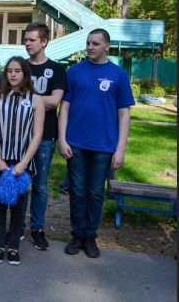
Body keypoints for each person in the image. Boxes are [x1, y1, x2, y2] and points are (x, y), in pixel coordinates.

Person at [58, 28, 134, 259]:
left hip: (104, 145)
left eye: (95, 43)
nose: (90, 47)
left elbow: (124, 114)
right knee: (77, 192)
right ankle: (77, 235)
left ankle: (90, 237)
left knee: (95, 193)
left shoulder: (118, 74)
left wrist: (120, 149)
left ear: (106, 46)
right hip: (76, 143)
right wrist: (62, 139)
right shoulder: (75, 71)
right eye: (88, 43)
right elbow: (65, 108)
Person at [0, 56, 45, 265]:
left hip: (23, 160)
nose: (12, 74)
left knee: (19, 205)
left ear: (25, 74)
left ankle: (13, 247)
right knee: (0, 203)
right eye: (9, 71)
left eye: (17, 71)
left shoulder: (36, 100)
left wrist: (23, 163)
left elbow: (37, 135)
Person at [21, 22, 68, 250]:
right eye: (25, 39)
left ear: (44, 41)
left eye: (32, 39)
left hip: (45, 136)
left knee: (40, 185)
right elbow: (10, 97)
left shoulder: (57, 69)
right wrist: (41, 101)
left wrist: (27, 99)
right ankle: (18, 225)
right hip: (19, 136)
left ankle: (37, 229)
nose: (27, 43)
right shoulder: (19, 67)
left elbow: (55, 101)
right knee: (20, 181)